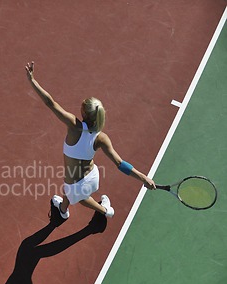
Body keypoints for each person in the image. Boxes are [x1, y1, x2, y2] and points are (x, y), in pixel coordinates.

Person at [25, 61, 156, 220]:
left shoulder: (74, 126)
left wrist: (32, 80)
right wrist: (144, 178)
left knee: (80, 197)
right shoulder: (101, 137)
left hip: (75, 184)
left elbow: (50, 103)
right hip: (92, 176)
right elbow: (120, 163)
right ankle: (63, 210)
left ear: (84, 113)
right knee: (69, 190)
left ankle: (105, 211)